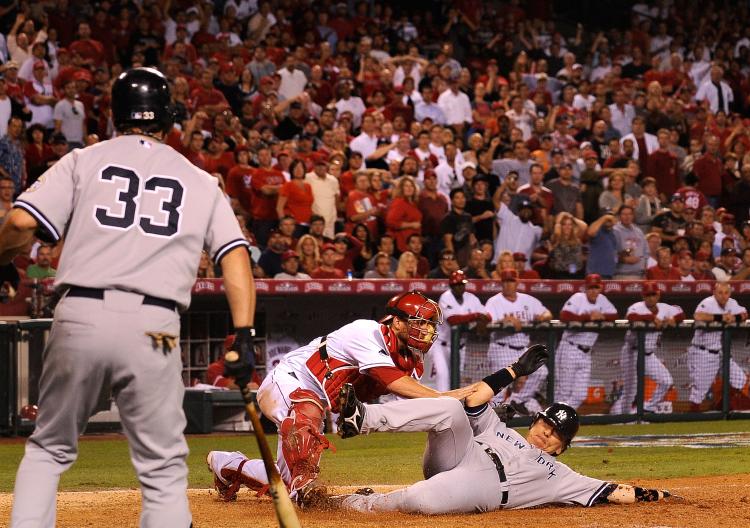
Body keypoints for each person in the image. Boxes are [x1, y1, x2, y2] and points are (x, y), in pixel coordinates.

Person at [0, 68, 256, 528]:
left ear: (116, 114)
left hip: (80, 314)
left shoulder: (85, 159)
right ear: (168, 118)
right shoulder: (198, 180)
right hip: (155, 325)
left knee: (49, 448)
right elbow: (234, 256)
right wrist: (244, 333)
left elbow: (20, 225)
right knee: (161, 471)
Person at [310, 348, 679, 514]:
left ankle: (354, 503)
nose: (546, 434)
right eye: (545, 424)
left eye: (555, 435)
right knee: (451, 406)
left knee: (419, 501)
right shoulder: (500, 428)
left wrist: (663, 495)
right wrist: (515, 371)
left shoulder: (560, 475)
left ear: (561, 449)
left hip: (482, 489)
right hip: (459, 456)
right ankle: (363, 418)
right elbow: (474, 400)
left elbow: (613, 492)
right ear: (536, 421)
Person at [205, 291, 476, 500]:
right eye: (420, 323)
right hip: (286, 381)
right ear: (396, 322)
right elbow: (392, 382)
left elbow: (417, 403)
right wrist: (449, 396)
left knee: (286, 477)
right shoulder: (367, 331)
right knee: (307, 420)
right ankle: (304, 486)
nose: (427, 330)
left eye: (430, 325)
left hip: (311, 403)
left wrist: (460, 401)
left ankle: (227, 464)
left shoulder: (410, 361)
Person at [485, 269, 553, 414]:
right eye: (506, 281)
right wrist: (504, 321)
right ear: (501, 283)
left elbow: (547, 313)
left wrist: (542, 317)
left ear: (517, 282)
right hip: (501, 347)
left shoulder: (527, 300)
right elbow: (486, 320)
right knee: (498, 388)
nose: (509, 285)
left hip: (522, 348)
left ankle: (516, 400)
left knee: (541, 372)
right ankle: (491, 420)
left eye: (512, 281)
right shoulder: (494, 301)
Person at [609, 282, 683, 415]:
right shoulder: (637, 307)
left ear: (658, 294)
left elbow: (680, 313)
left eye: (653, 295)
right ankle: (624, 417)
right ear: (643, 296)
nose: (651, 298)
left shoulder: (664, 308)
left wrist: (674, 319)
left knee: (667, 381)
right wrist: (652, 318)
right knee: (630, 390)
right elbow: (631, 317)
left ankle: (647, 408)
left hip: (649, 355)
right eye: (647, 295)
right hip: (631, 353)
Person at [555, 274, 618, 409]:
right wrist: (589, 317)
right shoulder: (578, 298)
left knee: (580, 394)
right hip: (569, 349)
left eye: (596, 287)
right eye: (590, 288)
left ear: (600, 288)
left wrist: (602, 316)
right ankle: (555, 422)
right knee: (563, 392)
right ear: (585, 288)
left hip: (586, 353)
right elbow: (564, 316)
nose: (593, 291)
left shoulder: (602, 300)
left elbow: (614, 315)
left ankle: (562, 418)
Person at [689, 282, 748, 411]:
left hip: (720, 353)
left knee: (740, 379)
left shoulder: (732, 303)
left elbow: (744, 314)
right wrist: (721, 317)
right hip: (702, 352)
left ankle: (722, 406)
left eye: (726, 293)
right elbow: (698, 316)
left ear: (730, 293)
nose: (723, 296)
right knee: (700, 391)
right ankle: (692, 416)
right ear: (714, 293)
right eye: (720, 293)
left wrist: (734, 318)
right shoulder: (708, 302)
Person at [432, 270, 489, 391]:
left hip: (460, 347)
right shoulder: (445, 297)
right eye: (457, 285)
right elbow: (453, 320)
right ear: (452, 286)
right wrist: (475, 316)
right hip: (442, 345)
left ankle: (453, 408)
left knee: (456, 381)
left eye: (462, 284)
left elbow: (487, 315)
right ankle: (440, 408)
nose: (460, 287)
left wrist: (482, 320)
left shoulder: (471, 298)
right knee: (443, 377)